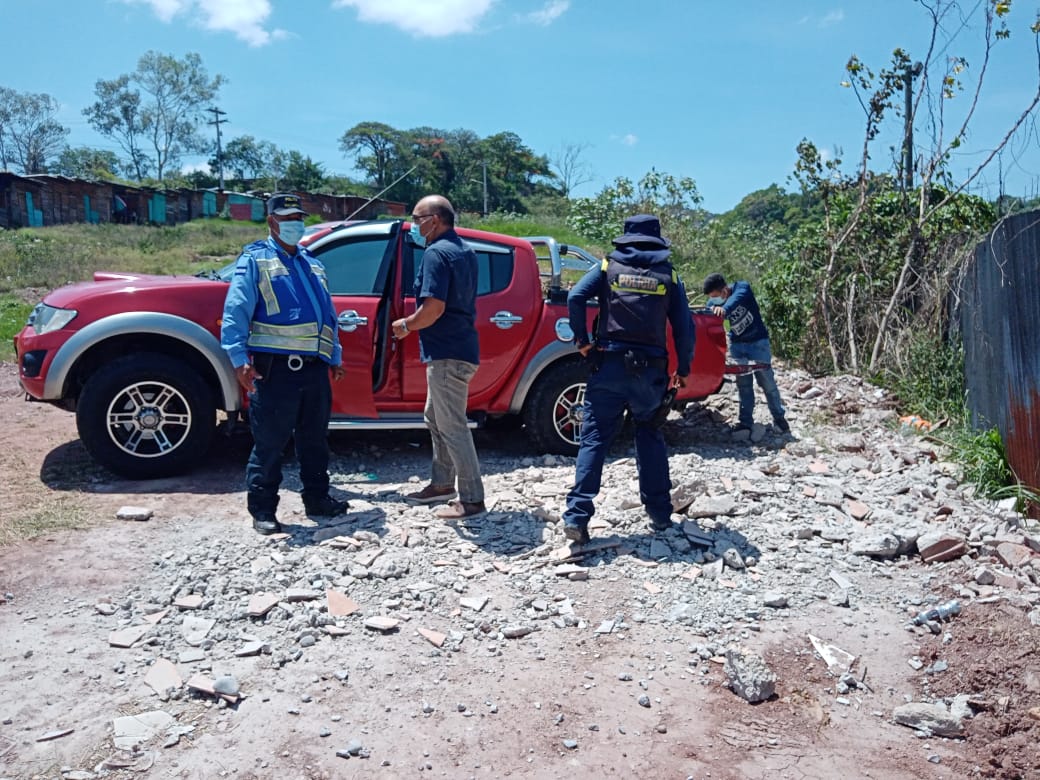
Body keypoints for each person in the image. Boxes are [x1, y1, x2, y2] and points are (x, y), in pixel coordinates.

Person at [562, 214, 694, 545]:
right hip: (650, 371)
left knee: (594, 438)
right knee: (649, 433)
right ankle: (660, 515)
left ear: (625, 237)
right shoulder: (669, 273)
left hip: (607, 363)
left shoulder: (608, 266)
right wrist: (684, 368)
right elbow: (685, 327)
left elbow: (576, 296)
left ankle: (577, 517)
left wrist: (582, 342)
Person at [221, 193, 348, 535]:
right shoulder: (256, 260)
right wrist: (238, 361)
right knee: (271, 442)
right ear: (272, 222)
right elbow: (235, 313)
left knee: (315, 440)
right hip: (275, 370)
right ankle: (263, 509)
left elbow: (328, 316)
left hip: (314, 369)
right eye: (287, 218)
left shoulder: (312, 262)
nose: (295, 223)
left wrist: (333, 356)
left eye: (298, 217)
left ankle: (318, 499)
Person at [392, 195, 486, 520]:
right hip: (459, 349)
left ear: (435, 219)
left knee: (452, 425)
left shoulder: (436, 254)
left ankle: (472, 499)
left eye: (417, 218)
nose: (415, 225)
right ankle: (442, 484)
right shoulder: (465, 251)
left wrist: (405, 325)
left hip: (447, 353)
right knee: (435, 417)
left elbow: (433, 308)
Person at [702, 272, 789, 434]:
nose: (714, 300)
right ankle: (745, 422)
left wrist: (724, 309)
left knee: (767, 383)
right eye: (711, 298)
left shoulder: (742, 288)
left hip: (758, 343)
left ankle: (779, 418)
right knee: (744, 385)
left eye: (715, 297)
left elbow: (734, 302)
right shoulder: (714, 304)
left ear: (724, 290)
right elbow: (708, 316)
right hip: (737, 345)